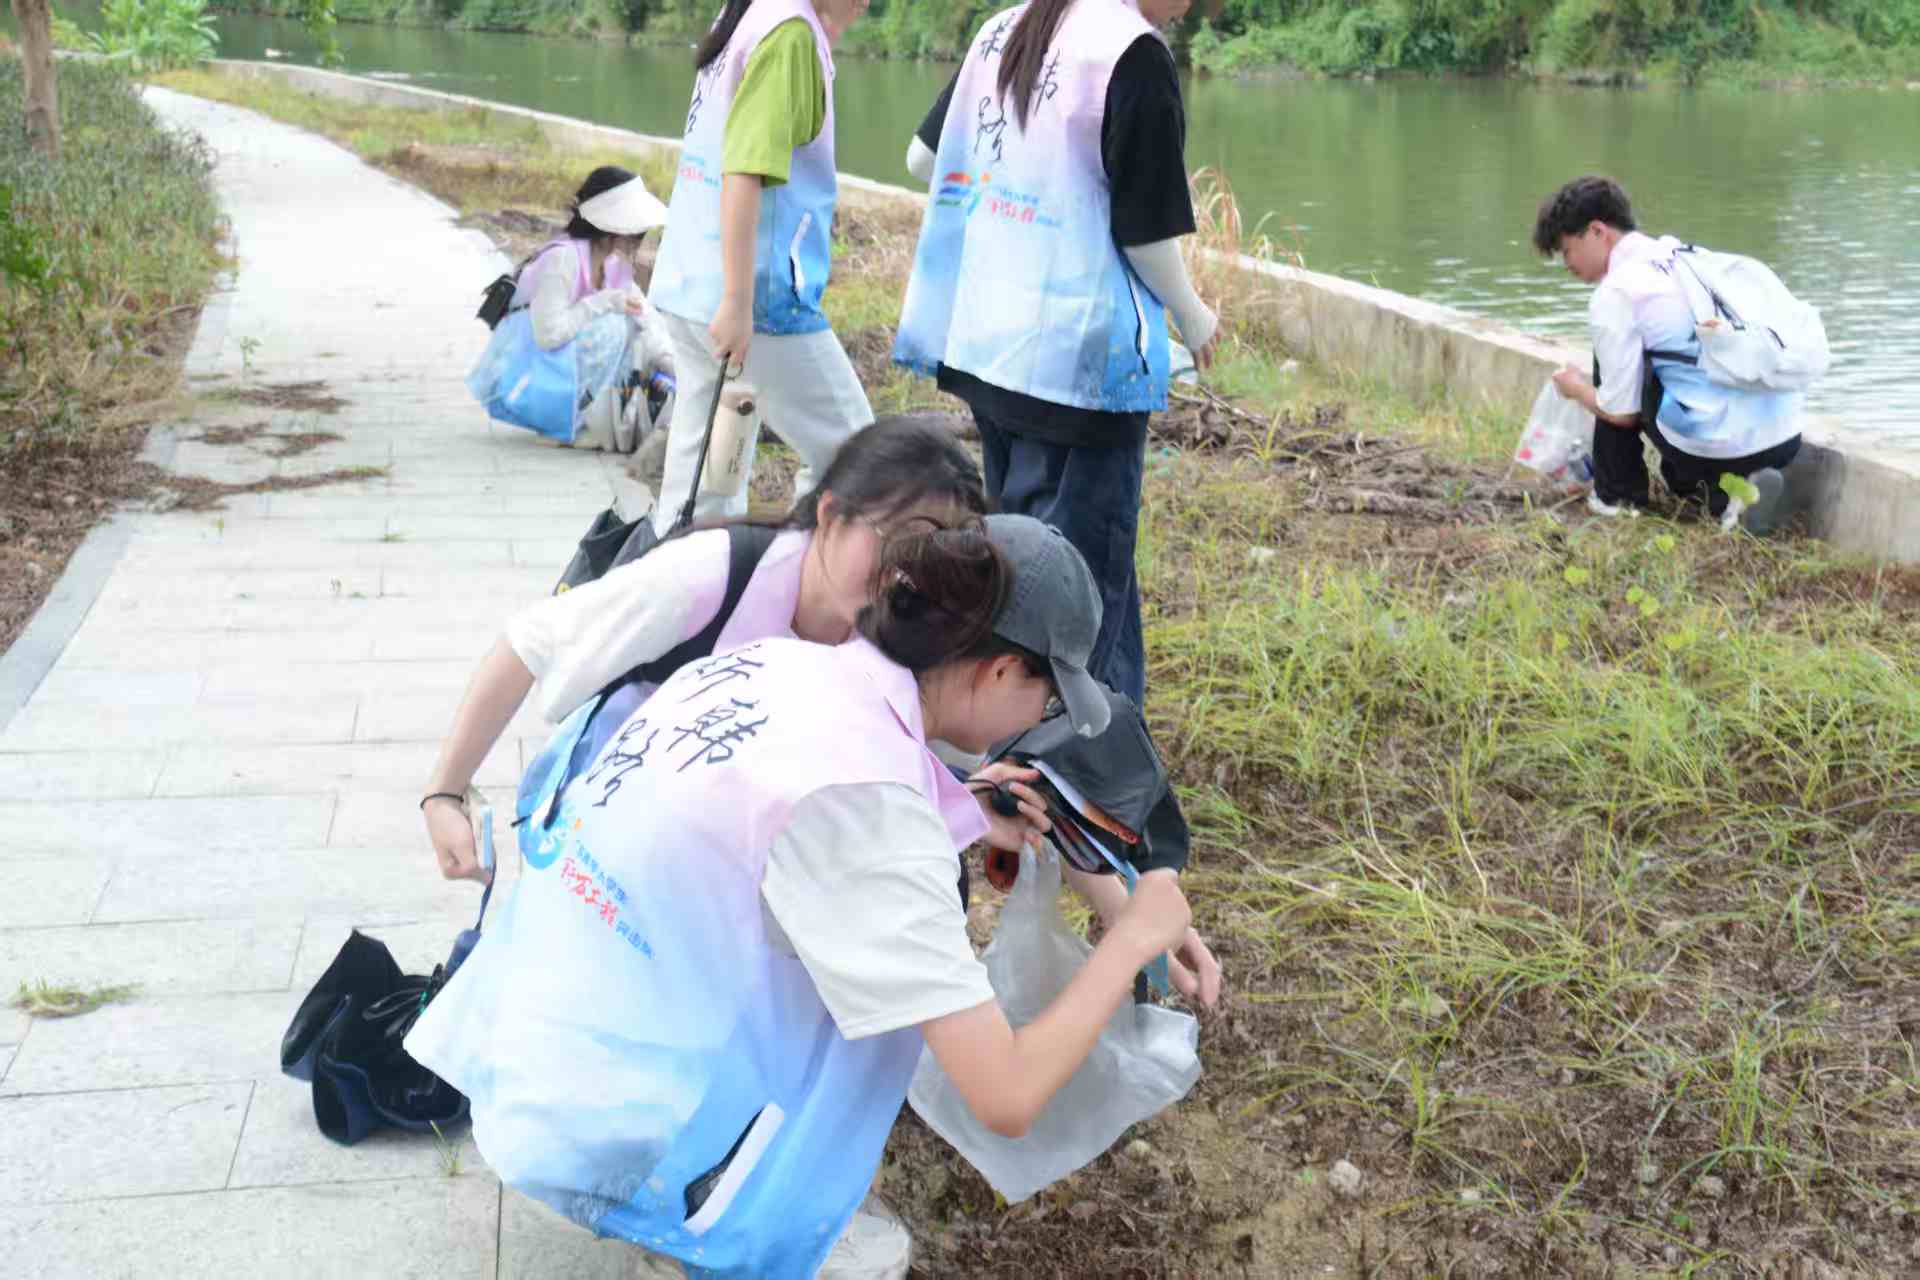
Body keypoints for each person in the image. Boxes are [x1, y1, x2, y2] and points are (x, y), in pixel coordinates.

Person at [405, 515, 1197, 1279]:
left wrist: (962, 801)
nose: (1039, 719)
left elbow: (822, 821)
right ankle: (674, 1224)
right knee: (865, 1255)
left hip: (537, 1054)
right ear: (997, 671)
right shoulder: (868, 804)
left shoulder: (785, 663)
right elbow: (1007, 1094)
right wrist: (1131, 937)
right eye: (1049, 699)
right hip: (608, 1136)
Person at [420, 414, 1222, 1006]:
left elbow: (1020, 787)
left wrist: (1137, 923)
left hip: (737, 831)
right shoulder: (709, 577)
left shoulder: (908, 635)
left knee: (919, 859)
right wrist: (446, 793)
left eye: (940, 545)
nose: (913, 565)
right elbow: (530, 641)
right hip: (635, 824)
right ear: (832, 515)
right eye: (902, 537)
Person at [893, 0, 1219, 709]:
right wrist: (1194, 318)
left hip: (989, 345)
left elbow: (925, 157)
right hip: (1081, 368)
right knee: (1081, 584)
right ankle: (1072, 769)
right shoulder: (1130, 53)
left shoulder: (1002, 28)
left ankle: (1061, 735)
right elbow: (1145, 234)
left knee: (1020, 558)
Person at [646, 0, 876, 537]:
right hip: (755, 300)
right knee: (860, 459)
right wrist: (739, 302)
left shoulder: (749, 15)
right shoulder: (789, 33)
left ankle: (687, 599)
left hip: (691, 283)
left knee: (703, 487)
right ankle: (802, 586)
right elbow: (744, 173)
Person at [1533, 175, 1802, 534]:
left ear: (1598, 231)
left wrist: (1575, 388)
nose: (1566, 264)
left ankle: (1617, 498)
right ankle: (1730, 498)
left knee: (1615, 367)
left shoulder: (1617, 291)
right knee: (1676, 372)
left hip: (1720, 441)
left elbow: (1621, 413)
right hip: (1785, 431)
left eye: (1566, 250)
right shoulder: (1686, 255)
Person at [467, 166, 675, 452]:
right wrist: (603, 302)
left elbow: (646, 318)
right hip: (529, 372)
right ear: (610, 227)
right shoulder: (563, 259)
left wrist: (674, 367)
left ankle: (594, 423)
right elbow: (548, 335)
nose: (638, 239)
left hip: (562, 364)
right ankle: (564, 424)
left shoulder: (614, 265)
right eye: (635, 231)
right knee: (613, 326)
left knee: (633, 326)